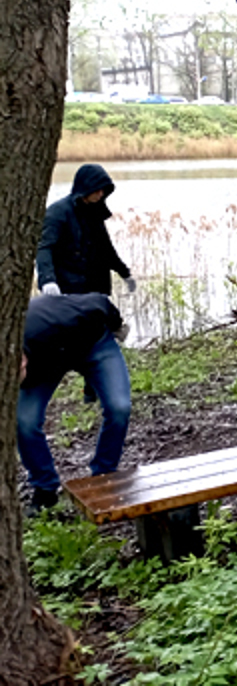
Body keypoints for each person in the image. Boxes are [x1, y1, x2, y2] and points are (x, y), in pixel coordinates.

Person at [18, 293, 131, 515]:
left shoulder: (56, 321)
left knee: (119, 407)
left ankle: (103, 475)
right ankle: (45, 488)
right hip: (48, 362)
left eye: (17, 374)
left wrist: (117, 326)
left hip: (93, 343)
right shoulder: (12, 349)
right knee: (24, 421)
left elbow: (99, 302)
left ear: (21, 361)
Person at [37, 164, 136, 298]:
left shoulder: (95, 212)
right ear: (86, 187)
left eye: (103, 190)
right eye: (97, 190)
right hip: (67, 290)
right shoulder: (57, 213)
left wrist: (125, 274)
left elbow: (106, 249)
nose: (101, 194)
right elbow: (44, 248)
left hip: (96, 290)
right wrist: (48, 280)